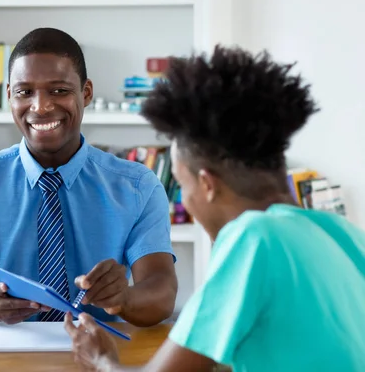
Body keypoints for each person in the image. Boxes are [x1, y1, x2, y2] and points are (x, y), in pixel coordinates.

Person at [65, 45, 365, 371]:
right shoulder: (341, 232)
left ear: (207, 185)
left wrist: (101, 360)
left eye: (183, 185)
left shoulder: (255, 238)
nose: (186, 201)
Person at [0, 27, 178, 328]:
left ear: (85, 93)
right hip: (3, 358)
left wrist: (123, 298)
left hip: (98, 354)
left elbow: (162, 293)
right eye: (24, 92)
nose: (41, 106)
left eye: (59, 91)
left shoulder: (138, 187)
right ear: (9, 96)